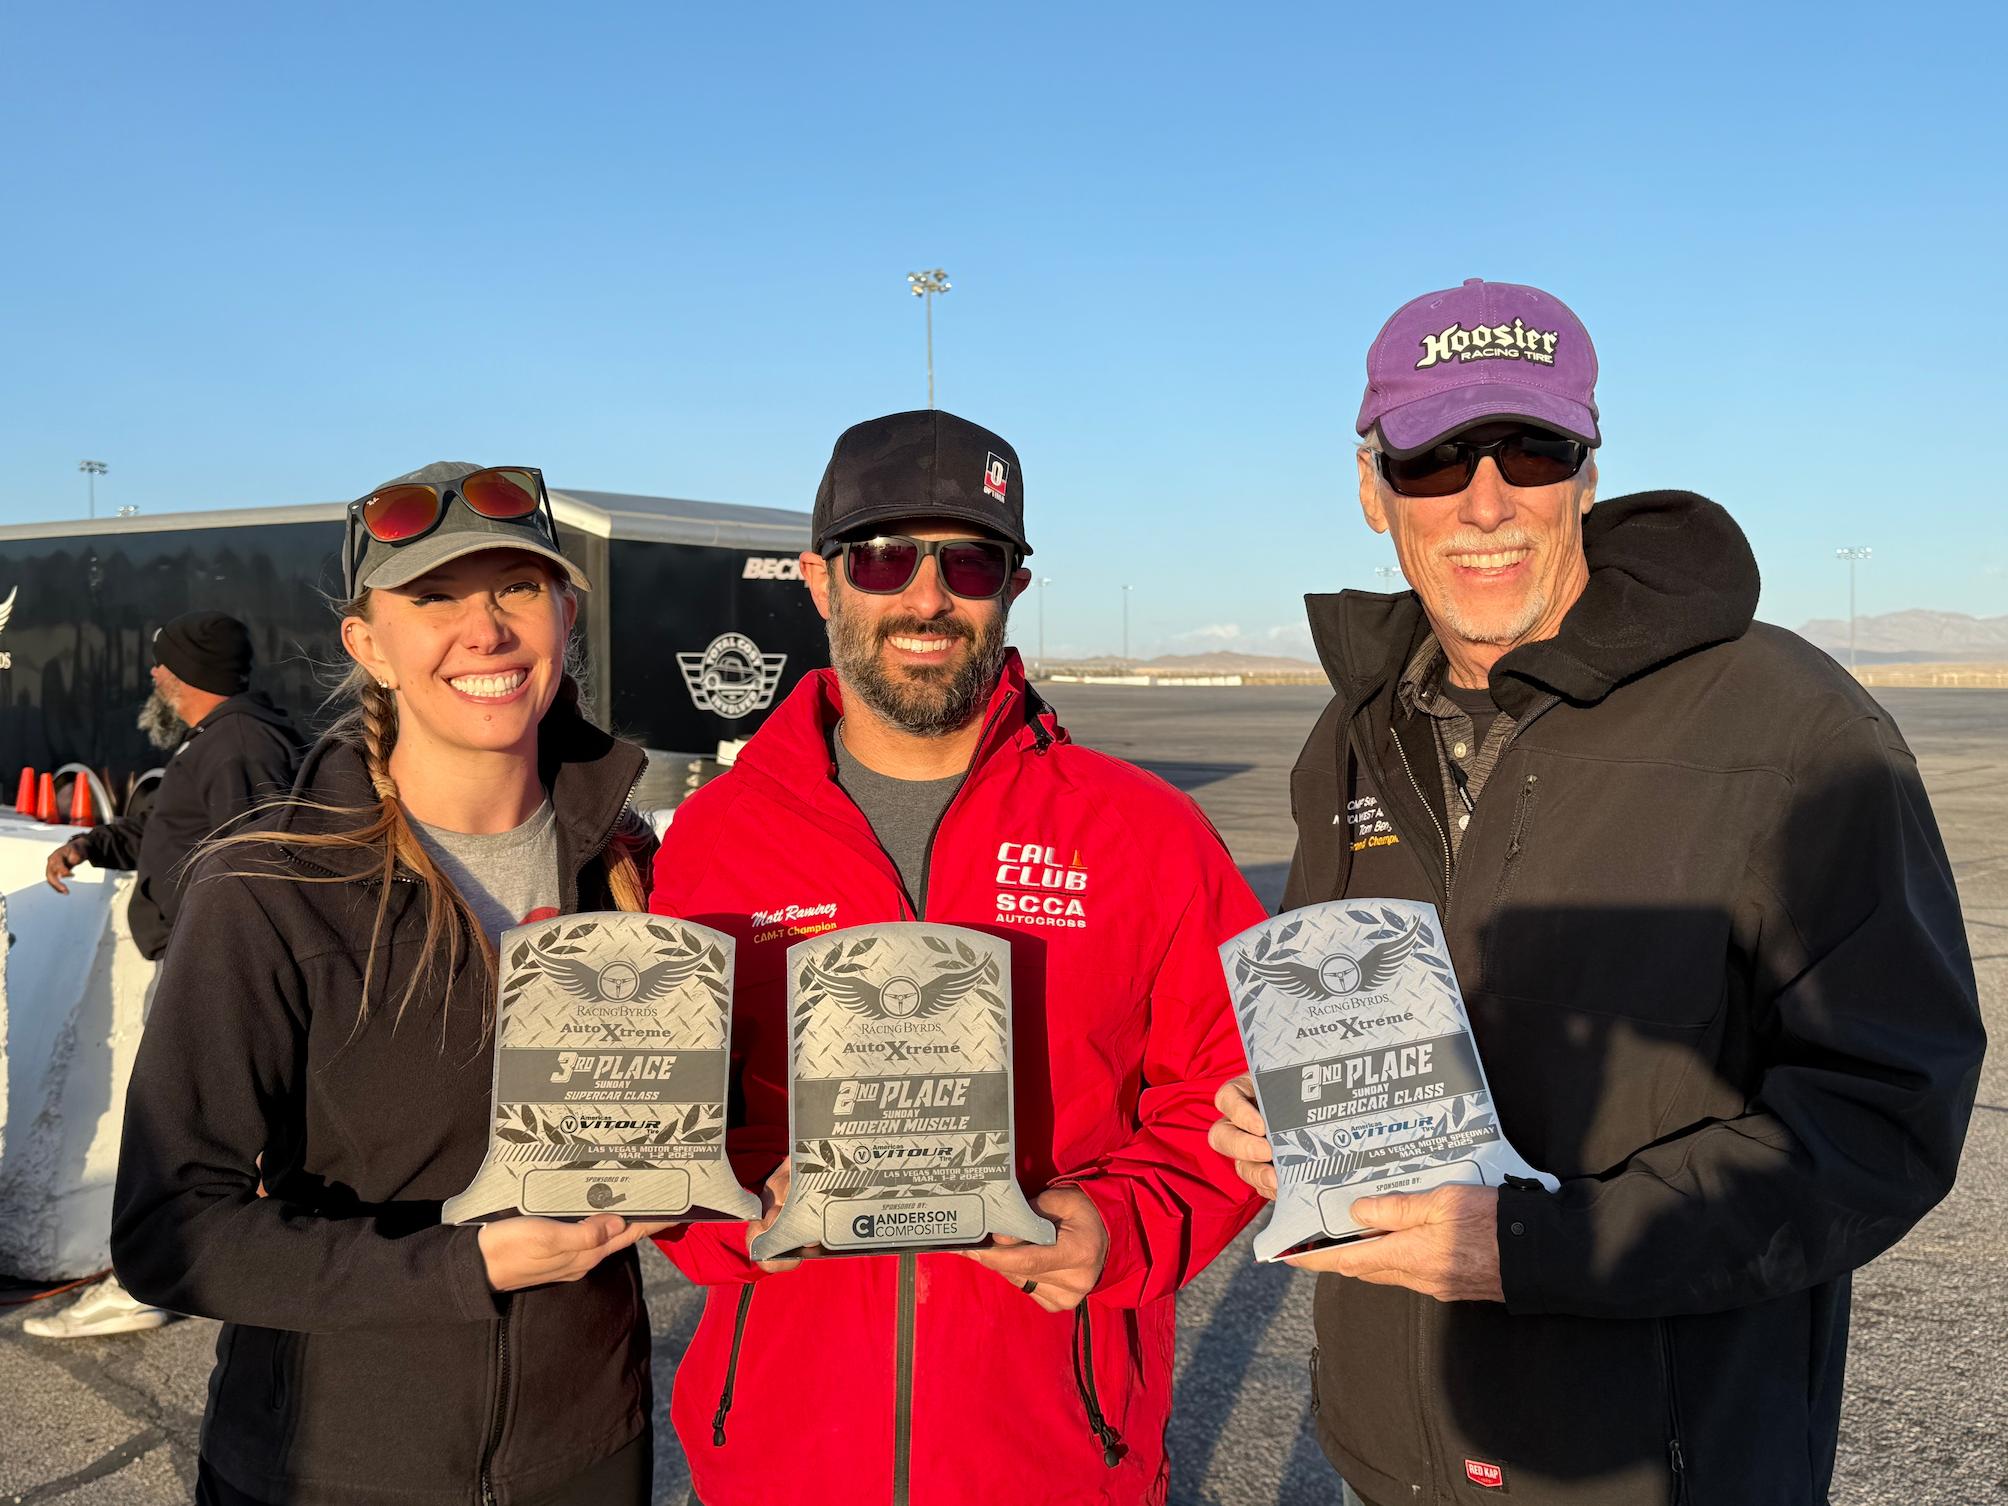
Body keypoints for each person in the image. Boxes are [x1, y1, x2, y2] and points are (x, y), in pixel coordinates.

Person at [1207, 279, 1985, 1506]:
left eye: (1529, 448)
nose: (1484, 500)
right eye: (1433, 457)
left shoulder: (1791, 727)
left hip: (1653, 1466)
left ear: (1585, 471)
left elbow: (1887, 1114)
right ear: (1372, 490)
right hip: (1394, 1454)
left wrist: (1536, 1245)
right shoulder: (1351, 734)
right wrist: (1291, 1116)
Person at [647, 410, 1268, 1506]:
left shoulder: (1141, 832)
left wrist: (1113, 1231)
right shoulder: (718, 837)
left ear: (1013, 587)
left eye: (968, 560)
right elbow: (670, 1122)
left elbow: (1225, 1100)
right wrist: (737, 1211)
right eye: (884, 556)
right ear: (820, 577)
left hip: (1057, 1456)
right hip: (783, 1454)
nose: (926, 597)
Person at [111, 464, 664, 1506]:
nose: (486, 629)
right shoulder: (269, 888)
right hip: (337, 1467)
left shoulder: (626, 867)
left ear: (565, 614)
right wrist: (464, 1269)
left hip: (587, 1450)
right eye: (434, 597)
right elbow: (169, 1234)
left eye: (515, 588)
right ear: (368, 643)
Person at [30, 611, 306, 1340]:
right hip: (194, 959)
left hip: (212, 970)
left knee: (182, 1129)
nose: (152, 675)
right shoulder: (215, 741)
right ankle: (180, 1266)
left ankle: (153, 1278)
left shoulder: (242, 746)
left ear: (186, 678)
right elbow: (166, 833)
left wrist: (222, 969)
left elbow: (260, 861)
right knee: (192, 1125)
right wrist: (90, 844)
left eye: (161, 665)